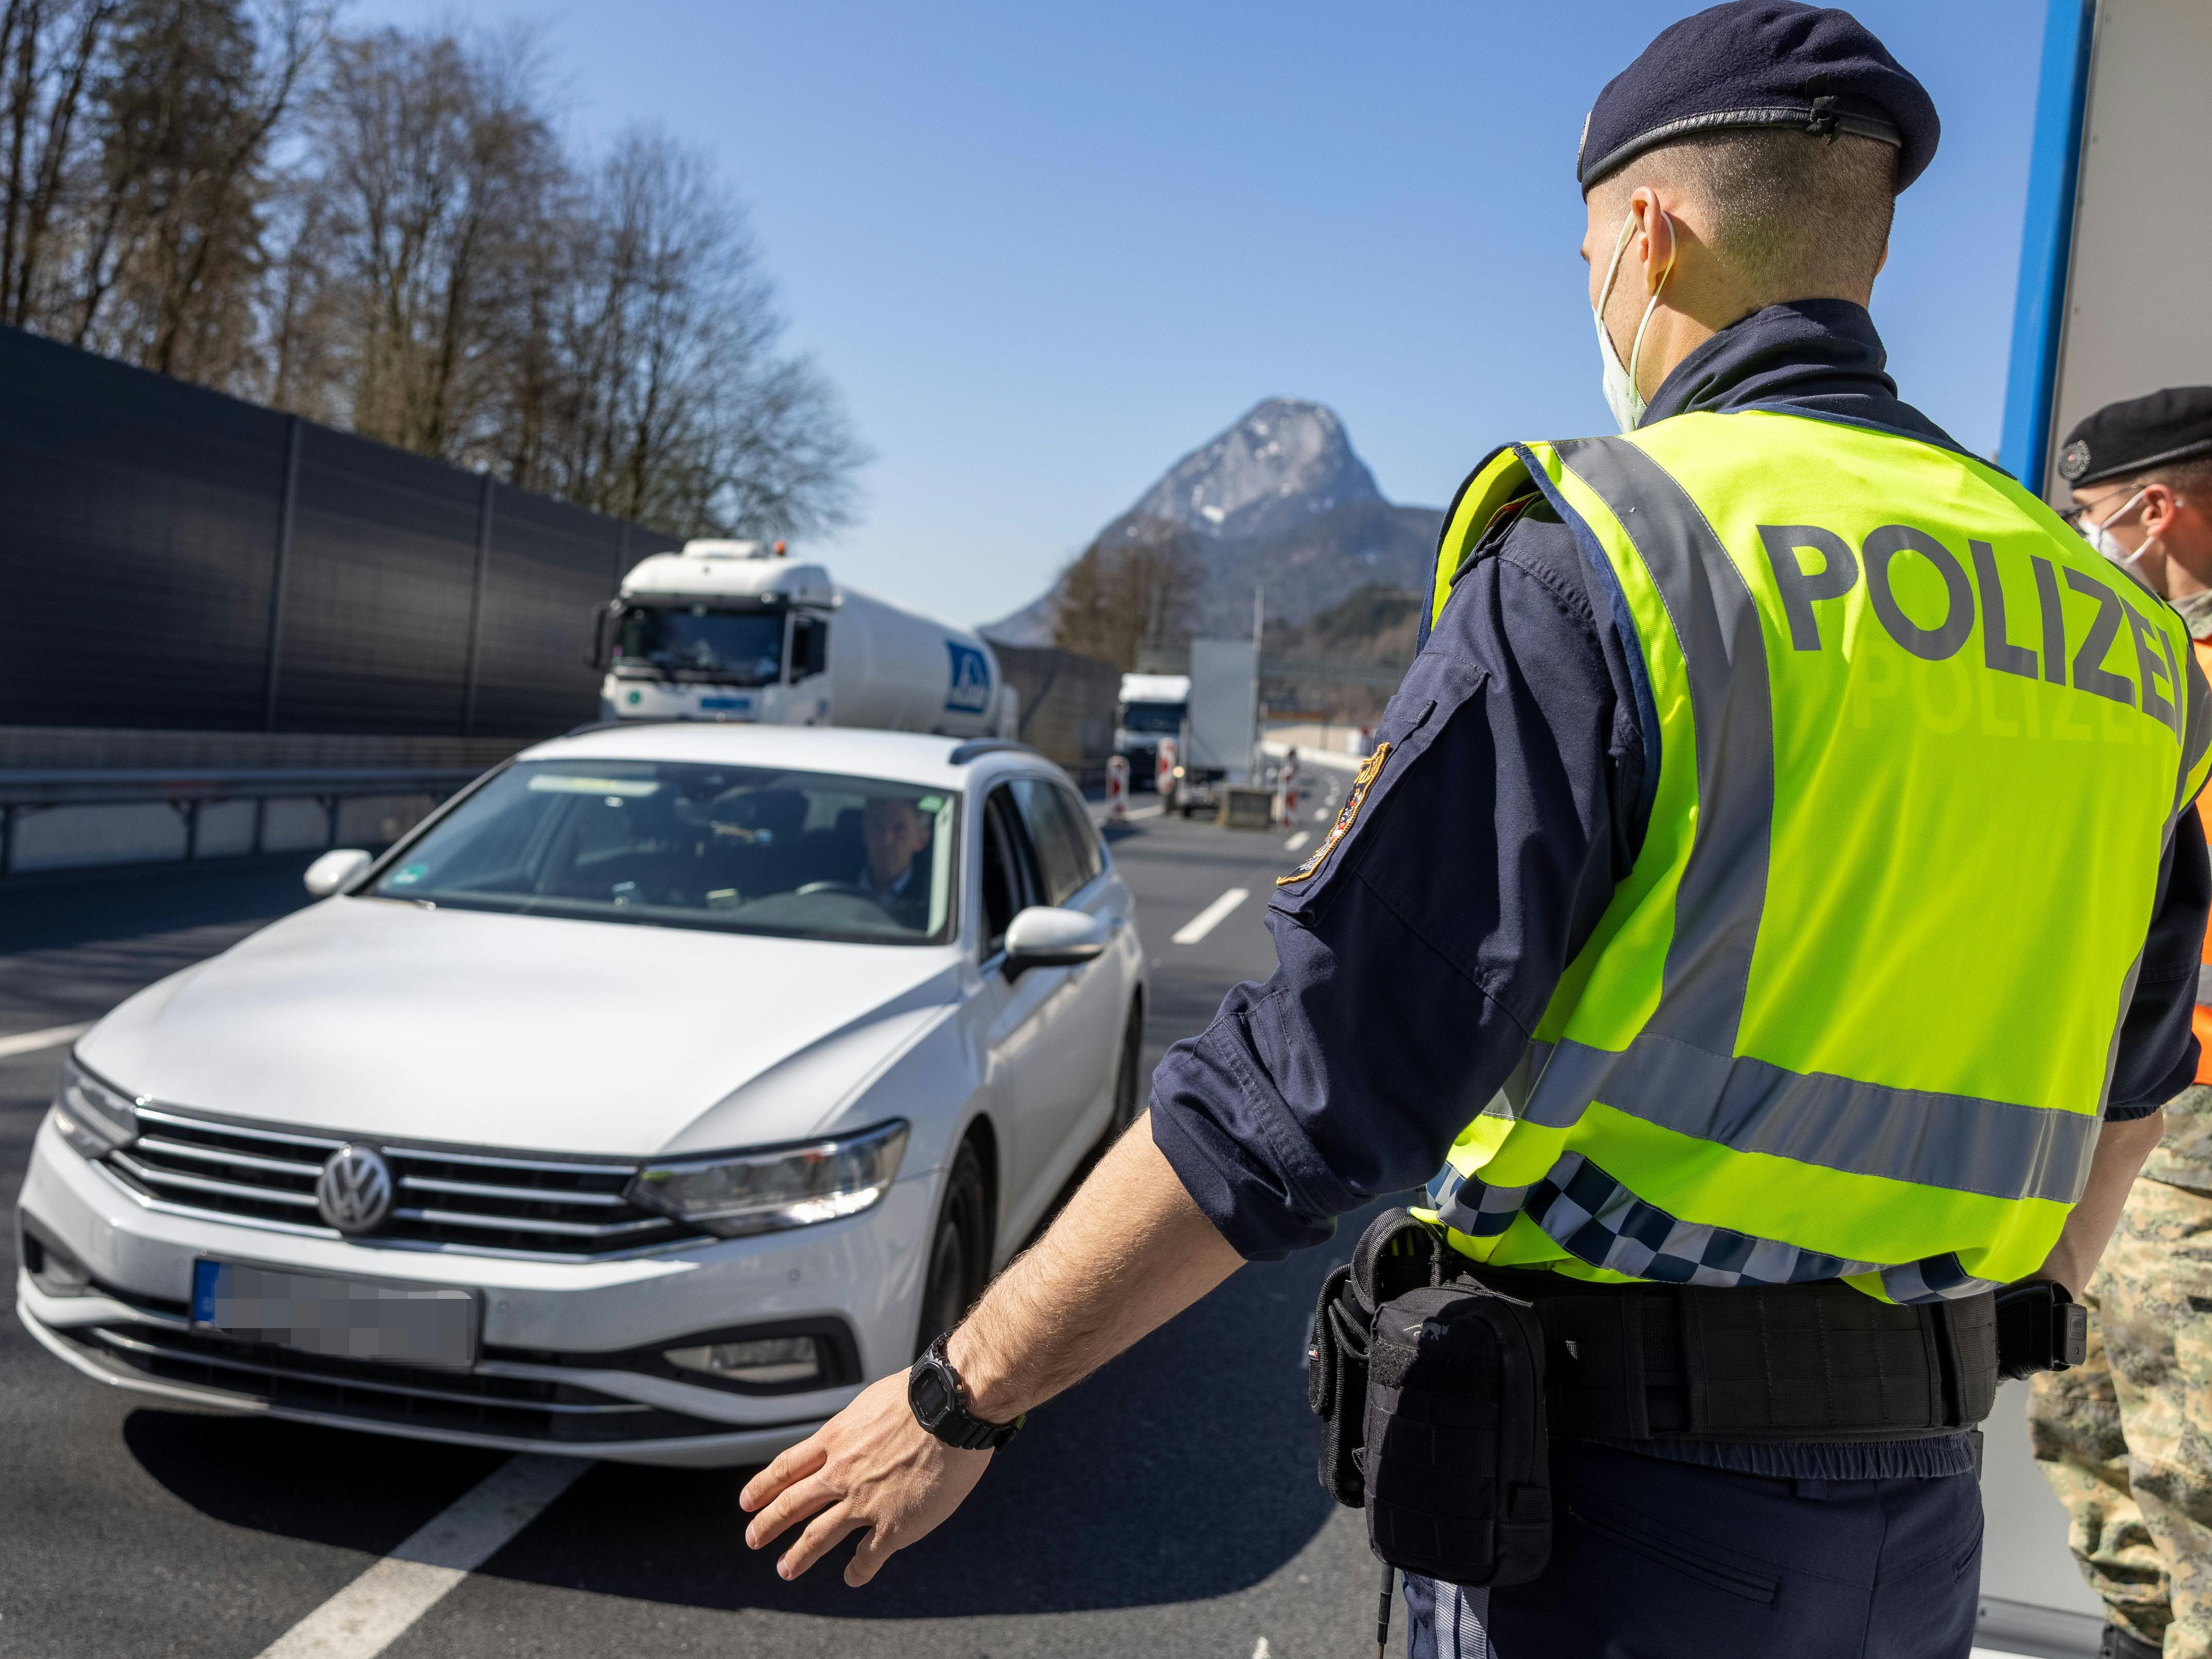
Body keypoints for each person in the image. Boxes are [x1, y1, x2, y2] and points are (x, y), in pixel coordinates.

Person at [738, 6, 2212, 1654]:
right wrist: (1970, 1332)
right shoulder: (2117, 634)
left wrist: (962, 1390)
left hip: (1618, 1520)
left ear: (1643, 239)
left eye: (1589, 246)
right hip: (1917, 1513)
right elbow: (2135, 1081)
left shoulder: (1626, 553)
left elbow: (1314, 1080)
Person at [2032, 388, 2212, 1659]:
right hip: (2118, 1110)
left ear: (2158, 510)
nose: (2083, 547)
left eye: (2088, 521)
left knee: (2190, 1465)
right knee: (2085, 1431)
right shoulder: (2143, 676)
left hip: (2193, 1133)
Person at [855, 795, 934, 929]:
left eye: (900, 830)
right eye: (878, 826)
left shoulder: (934, 904)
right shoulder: (826, 878)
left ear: (921, 840)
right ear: (865, 831)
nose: (886, 841)